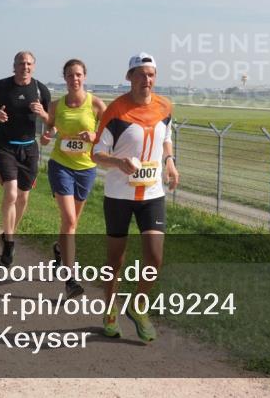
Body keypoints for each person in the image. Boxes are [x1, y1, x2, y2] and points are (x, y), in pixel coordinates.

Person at [92, 53, 179, 342]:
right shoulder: (115, 111)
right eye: (141, 74)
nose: (147, 79)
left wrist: (169, 161)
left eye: (151, 74)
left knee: (155, 256)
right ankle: (109, 311)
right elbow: (96, 154)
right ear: (129, 77)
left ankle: (139, 306)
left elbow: (166, 136)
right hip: (119, 195)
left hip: (153, 193)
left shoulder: (165, 106)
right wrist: (119, 163)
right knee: (116, 259)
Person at [39, 59, 105, 299]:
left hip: (86, 169)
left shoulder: (97, 105)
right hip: (61, 166)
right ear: (64, 78)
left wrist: (94, 135)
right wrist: (47, 136)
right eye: (69, 75)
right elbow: (51, 127)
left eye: (78, 75)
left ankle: (59, 248)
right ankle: (70, 279)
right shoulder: (57, 105)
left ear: (84, 77)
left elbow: (108, 135)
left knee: (72, 223)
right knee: (68, 220)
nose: (74, 79)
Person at [0, 51, 51, 265]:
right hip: (5, 146)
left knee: (23, 198)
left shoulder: (41, 89)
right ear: (14, 65)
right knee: (11, 193)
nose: (25, 67)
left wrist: (43, 115)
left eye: (29, 63)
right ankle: (10, 243)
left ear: (34, 66)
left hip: (29, 148)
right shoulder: (1, 86)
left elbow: (52, 121)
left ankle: (7, 234)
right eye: (21, 63)